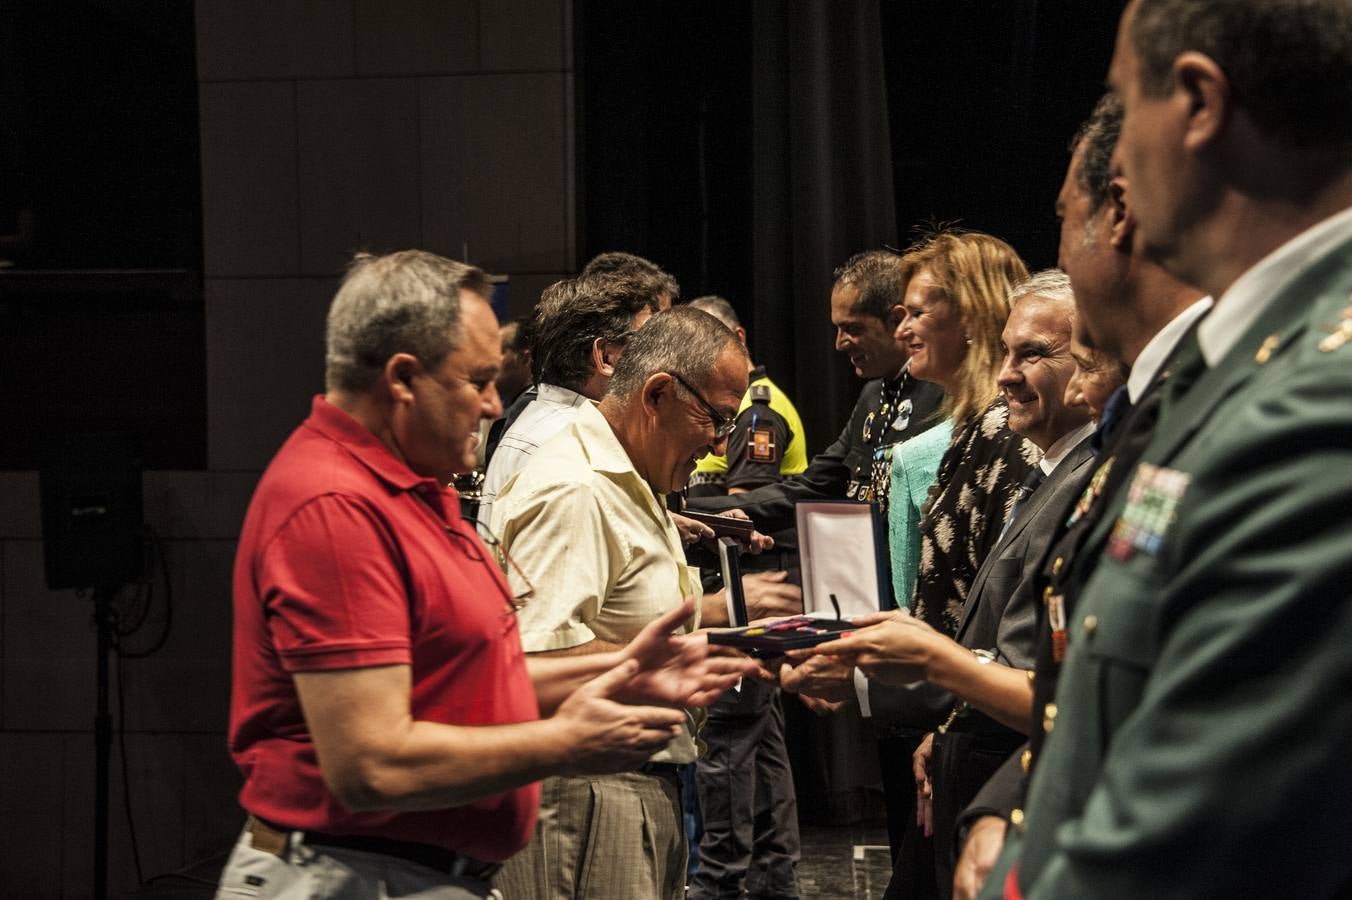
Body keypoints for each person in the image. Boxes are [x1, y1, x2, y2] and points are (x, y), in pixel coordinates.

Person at [217, 250, 752, 900]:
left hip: (406, 871)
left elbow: (476, 677)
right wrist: (560, 743)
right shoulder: (334, 504)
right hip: (349, 874)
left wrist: (622, 669)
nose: (495, 404)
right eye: (478, 381)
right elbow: (370, 763)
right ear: (403, 378)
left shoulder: (412, 488)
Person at [987, 2, 1352, 895]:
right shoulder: (1230, 368)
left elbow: (1186, 843)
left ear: (1196, 103)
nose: (1117, 165)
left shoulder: (1315, 404)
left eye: (1124, 99)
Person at [942, 92, 1210, 900]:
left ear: (1118, 216)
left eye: (1062, 216)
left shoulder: (1236, 396)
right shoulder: (1158, 406)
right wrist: (1008, 804)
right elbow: (1101, 678)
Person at [787, 271, 1097, 899]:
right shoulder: (1045, 468)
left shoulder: (1091, 483)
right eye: (1007, 351)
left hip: (1011, 790)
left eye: (1033, 354)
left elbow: (1062, 688)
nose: (1008, 373)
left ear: (1095, 365)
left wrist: (870, 677)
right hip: (974, 766)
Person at [490, 307, 789, 900]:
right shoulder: (575, 487)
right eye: (717, 419)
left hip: (625, 788)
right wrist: (689, 655)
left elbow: (621, 615)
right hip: (584, 798)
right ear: (657, 394)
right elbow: (534, 663)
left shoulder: (628, 474)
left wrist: (718, 615)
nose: (718, 446)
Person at [688, 250, 945, 551]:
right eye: (838, 328)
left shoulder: (942, 394)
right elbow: (810, 487)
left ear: (895, 320)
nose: (839, 343)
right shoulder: (872, 397)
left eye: (852, 328)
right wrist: (688, 508)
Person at [683, 294, 804, 900]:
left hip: (749, 590)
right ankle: (775, 877)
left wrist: (671, 509)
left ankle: (721, 883)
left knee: (727, 740)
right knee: (761, 740)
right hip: (740, 588)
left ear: (736, 335)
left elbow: (747, 509)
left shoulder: (757, 408)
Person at [478, 271, 659, 527]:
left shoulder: (549, 421)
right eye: (647, 347)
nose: (659, 362)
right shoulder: (568, 446)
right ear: (606, 357)